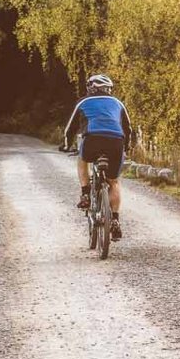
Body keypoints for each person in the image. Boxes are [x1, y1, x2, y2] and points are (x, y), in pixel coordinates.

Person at [61, 74, 133, 240]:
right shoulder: (118, 102)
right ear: (109, 89)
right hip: (116, 142)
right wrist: (127, 147)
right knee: (113, 181)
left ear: (90, 88)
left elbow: (70, 128)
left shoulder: (83, 101)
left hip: (92, 139)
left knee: (82, 160)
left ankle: (85, 194)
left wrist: (66, 145)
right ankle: (115, 220)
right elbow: (128, 129)